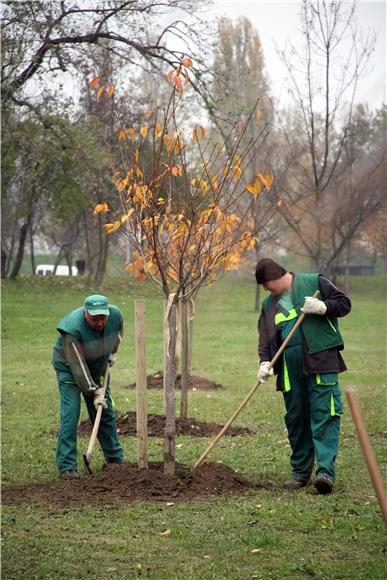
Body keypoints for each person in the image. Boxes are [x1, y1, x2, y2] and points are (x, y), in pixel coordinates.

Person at [255, 258, 351, 494]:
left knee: (324, 413)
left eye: (266, 284)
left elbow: (344, 304)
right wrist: (265, 362)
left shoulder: (314, 282)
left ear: (276, 278)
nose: (265, 289)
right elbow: (266, 340)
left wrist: (323, 307)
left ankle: (325, 473)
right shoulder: (269, 305)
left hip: (320, 361)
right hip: (289, 369)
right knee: (296, 419)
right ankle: (300, 473)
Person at [52, 294, 125, 479]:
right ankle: (67, 466)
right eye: (94, 318)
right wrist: (94, 392)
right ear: (85, 313)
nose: (100, 322)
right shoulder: (71, 329)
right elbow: (78, 368)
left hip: (97, 366)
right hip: (70, 368)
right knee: (71, 415)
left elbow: (117, 332)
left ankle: (116, 460)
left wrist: (112, 352)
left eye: (103, 317)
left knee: (105, 413)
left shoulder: (115, 315)